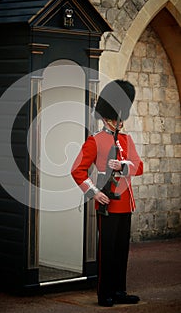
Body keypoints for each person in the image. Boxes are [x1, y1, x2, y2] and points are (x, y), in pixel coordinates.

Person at [71, 79, 143, 307]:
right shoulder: (95, 141)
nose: (118, 122)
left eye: (119, 118)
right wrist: (94, 193)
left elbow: (139, 167)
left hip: (125, 204)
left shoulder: (126, 140)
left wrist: (122, 166)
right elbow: (77, 171)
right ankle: (105, 294)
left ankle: (120, 290)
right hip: (108, 203)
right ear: (105, 118)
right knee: (107, 251)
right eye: (114, 118)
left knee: (122, 250)